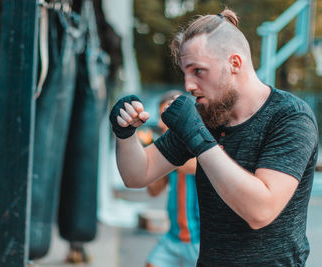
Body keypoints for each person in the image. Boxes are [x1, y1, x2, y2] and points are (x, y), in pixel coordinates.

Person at [109, 8, 318, 267]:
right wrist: (125, 134)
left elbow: (260, 211)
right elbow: (137, 175)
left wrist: (198, 138)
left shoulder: (290, 117)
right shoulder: (207, 115)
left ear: (234, 64)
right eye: (185, 73)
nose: (188, 85)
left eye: (198, 71)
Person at [145, 90, 200, 267]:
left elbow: (193, 166)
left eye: (167, 115)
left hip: (200, 240)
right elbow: (153, 191)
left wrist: (155, 156)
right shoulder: (168, 150)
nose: (162, 122)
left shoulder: (201, 145)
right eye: (161, 116)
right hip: (173, 237)